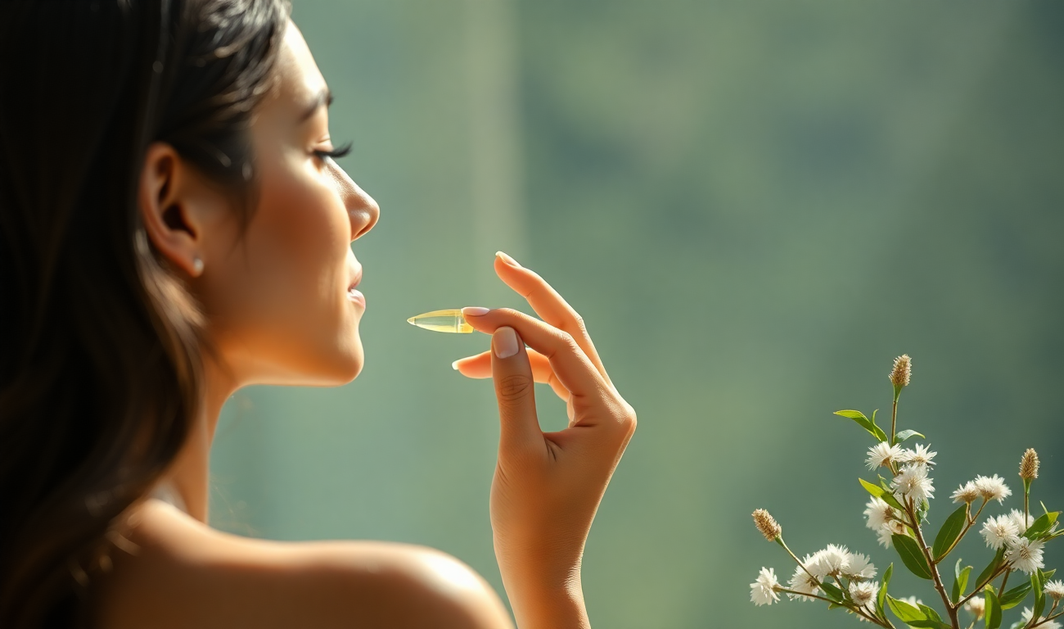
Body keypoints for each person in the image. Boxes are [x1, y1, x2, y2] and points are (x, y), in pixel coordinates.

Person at [0, 1, 637, 628]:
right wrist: (550, 577)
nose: (364, 209)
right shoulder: (407, 613)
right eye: (322, 151)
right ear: (174, 209)